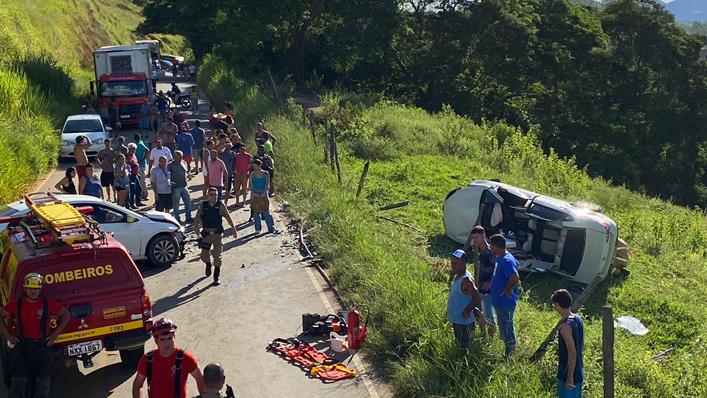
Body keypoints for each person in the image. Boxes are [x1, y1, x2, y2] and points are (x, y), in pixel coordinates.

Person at [0, 273, 70, 398]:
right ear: (25, 288)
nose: (33, 291)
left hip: (42, 348)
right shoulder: (16, 304)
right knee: (18, 383)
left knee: (42, 385)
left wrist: (54, 335)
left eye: (36, 288)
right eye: (30, 288)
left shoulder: (48, 304)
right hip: (22, 347)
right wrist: (8, 336)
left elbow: (66, 315)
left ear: (40, 289)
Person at [132, 318, 204, 398]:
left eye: (170, 338)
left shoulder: (186, 358)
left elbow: (200, 379)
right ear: (156, 341)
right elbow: (138, 383)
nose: (167, 343)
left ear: (174, 337)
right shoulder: (148, 359)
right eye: (162, 339)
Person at [194, 187, 237, 285]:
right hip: (206, 234)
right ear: (207, 196)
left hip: (217, 234)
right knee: (204, 256)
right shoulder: (203, 205)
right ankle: (208, 264)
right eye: (212, 195)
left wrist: (233, 228)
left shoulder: (220, 205)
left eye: (216, 195)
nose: (214, 197)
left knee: (217, 256)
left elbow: (227, 216)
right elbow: (197, 217)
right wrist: (196, 228)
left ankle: (216, 277)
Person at [489, 234, 520, 356]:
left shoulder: (506, 260)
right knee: (504, 326)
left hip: (504, 302)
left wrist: (507, 289)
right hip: (499, 301)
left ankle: (510, 353)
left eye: (491, 245)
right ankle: (509, 349)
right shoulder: (502, 257)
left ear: (495, 246)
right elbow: (517, 265)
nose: (490, 247)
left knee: (506, 328)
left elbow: (514, 277)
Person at [552, 289, 584, 398]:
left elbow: (572, 352)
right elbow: (581, 345)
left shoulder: (565, 327)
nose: (555, 308)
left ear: (557, 304)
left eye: (555, 306)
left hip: (569, 374)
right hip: (579, 370)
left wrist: (569, 378)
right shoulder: (578, 319)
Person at [446, 249, 481, 348]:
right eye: (452, 262)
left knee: (465, 347)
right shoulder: (458, 275)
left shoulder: (466, 280)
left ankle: (466, 363)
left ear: (463, 263)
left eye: (456, 263)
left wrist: (467, 311)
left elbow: (477, 297)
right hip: (457, 320)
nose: (453, 265)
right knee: (459, 345)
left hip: (464, 322)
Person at [467, 226, 496, 336]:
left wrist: (490, 283)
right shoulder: (479, 251)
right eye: (473, 238)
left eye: (476, 237)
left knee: (488, 315)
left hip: (489, 290)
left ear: (483, 236)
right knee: (478, 312)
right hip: (480, 287)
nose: (474, 240)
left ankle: (491, 337)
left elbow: (497, 270)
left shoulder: (490, 252)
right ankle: (483, 335)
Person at [249, 159, 279, 235]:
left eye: (256, 166)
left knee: (266, 211)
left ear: (259, 165)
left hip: (264, 192)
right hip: (255, 193)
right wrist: (254, 193)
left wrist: (264, 193)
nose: (254, 167)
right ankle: (257, 228)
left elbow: (267, 184)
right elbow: (251, 185)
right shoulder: (252, 174)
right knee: (256, 212)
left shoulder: (265, 173)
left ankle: (271, 227)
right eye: (253, 166)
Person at [168, 151, 192, 224]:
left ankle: (188, 217)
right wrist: (170, 183)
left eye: (179, 156)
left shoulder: (183, 162)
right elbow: (168, 176)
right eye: (175, 156)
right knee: (176, 204)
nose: (177, 158)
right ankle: (177, 218)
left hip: (184, 186)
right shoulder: (170, 165)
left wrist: (189, 175)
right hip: (176, 188)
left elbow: (186, 172)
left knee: (188, 202)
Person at [134, 134, 150, 202]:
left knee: (142, 181)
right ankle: (142, 194)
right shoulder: (140, 142)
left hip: (141, 165)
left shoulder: (140, 144)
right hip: (139, 164)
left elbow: (147, 150)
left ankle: (145, 194)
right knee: (140, 180)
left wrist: (142, 159)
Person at [127, 143, 143, 208]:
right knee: (132, 189)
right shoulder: (128, 156)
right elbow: (129, 165)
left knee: (139, 188)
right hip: (131, 175)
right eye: (132, 149)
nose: (133, 150)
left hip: (135, 174)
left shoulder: (134, 155)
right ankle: (132, 204)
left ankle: (138, 201)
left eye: (134, 149)